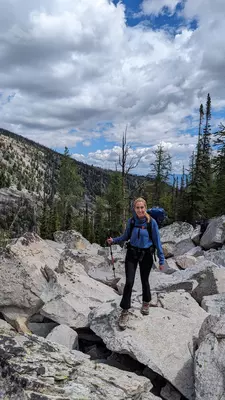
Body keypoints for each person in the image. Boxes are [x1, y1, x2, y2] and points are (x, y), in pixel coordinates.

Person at [107, 197, 165, 330]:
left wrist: (161, 260)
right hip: (132, 253)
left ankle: (146, 302)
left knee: (145, 280)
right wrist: (114, 240)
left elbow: (157, 242)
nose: (140, 210)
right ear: (134, 209)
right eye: (137, 207)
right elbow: (125, 236)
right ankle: (125, 310)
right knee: (129, 282)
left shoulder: (152, 223)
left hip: (146, 255)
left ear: (145, 208)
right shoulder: (132, 221)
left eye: (142, 207)